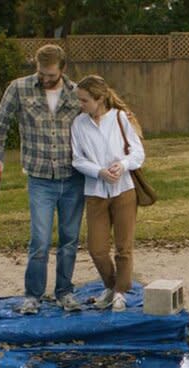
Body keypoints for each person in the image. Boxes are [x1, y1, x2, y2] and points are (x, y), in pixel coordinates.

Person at [0, 44, 84, 315]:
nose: (45, 79)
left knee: (69, 239)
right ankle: (33, 296)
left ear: (62, 70)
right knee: (39, 240)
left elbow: (95, 125)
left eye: (51, 75)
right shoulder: (18, 88)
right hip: (40, 178)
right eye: (41, 73)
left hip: (73, 177)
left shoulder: (77, 94)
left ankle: (65, 293)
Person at [70, 75, 145, 312]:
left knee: (124, 247)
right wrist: (99, 172)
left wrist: (122, 165)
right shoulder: (78, 124)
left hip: (124, 191)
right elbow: (77, 160)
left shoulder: (121, 118)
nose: (80, 105)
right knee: (97, 249)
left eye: (84, 100)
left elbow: (138, 154)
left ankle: (120, 293)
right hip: (95, 193)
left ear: (99, 99)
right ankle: (112, 287)